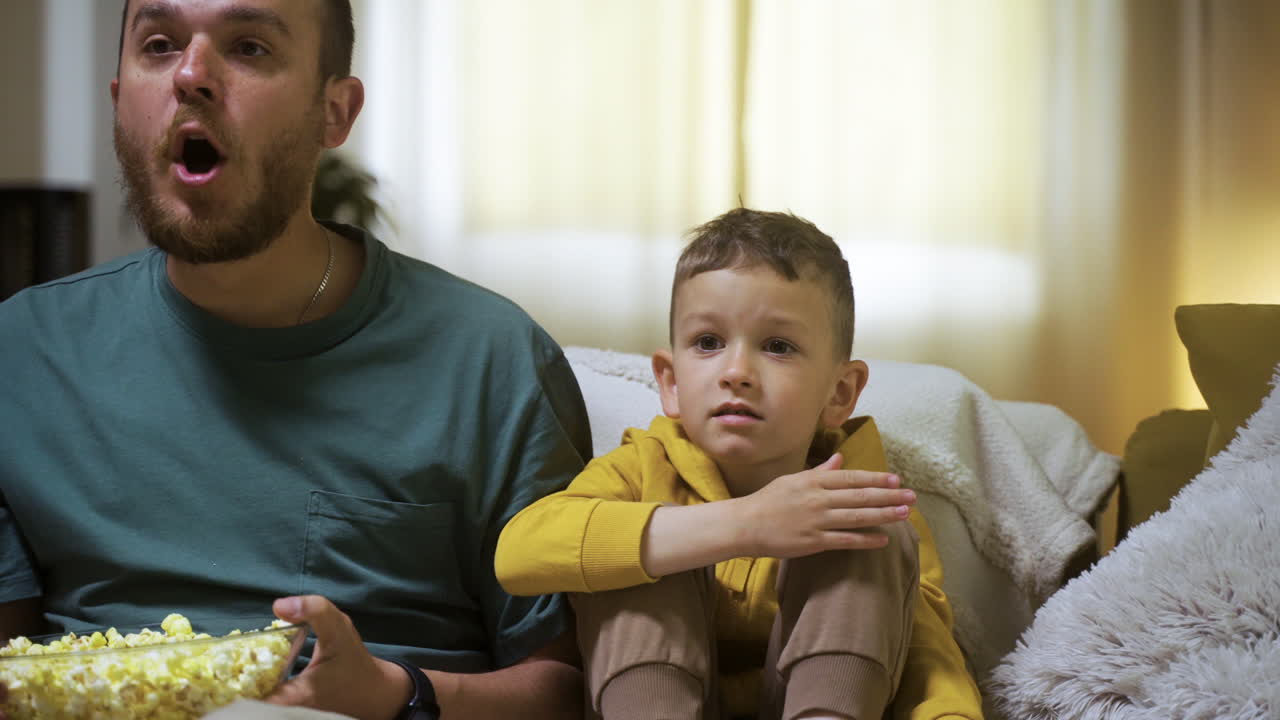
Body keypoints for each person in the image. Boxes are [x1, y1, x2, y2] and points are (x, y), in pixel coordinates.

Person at [0, 1, 590, 718]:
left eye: (248, 47)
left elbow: (566, 691)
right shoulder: (22, 354)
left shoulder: (491, 362)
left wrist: (398, 694)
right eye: (158, 45)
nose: (192, 75)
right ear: (120, 97)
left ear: (333, 112)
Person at [495, 208, 984, 719]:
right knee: (637, 542)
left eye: (777, 347)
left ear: (840, 392)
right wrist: (743, 525)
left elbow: (926, 655)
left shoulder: (869, 492)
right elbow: (518, 554)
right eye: (708, 343)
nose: (736, 372)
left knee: (866, 529)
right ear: (671, 382)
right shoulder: (640, 468)